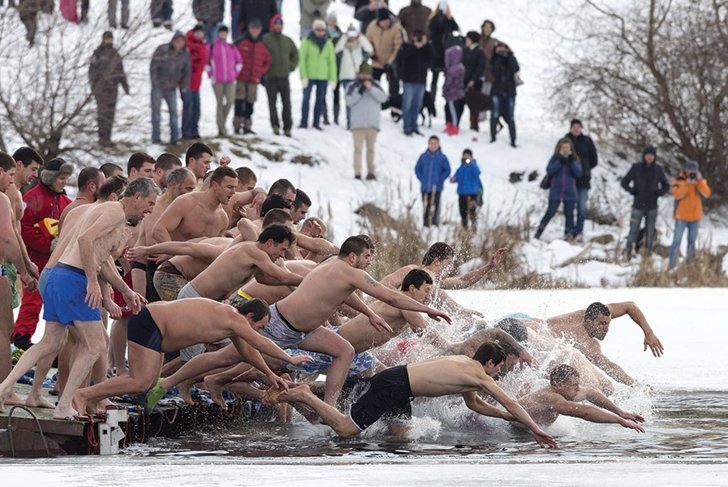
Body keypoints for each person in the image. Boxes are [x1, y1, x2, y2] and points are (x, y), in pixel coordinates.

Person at [0, 178, 158, 418]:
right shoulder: (115, 211)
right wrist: (93, 283)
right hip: (74, 279)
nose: (151, 209)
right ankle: (64, 405)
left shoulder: (107, 212)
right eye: (149, 203)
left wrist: (124, 292)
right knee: (96, 345)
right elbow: (85, 240)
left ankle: (3, 388)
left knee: (51, 342)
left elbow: (101, 257)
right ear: (136, 196)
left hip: (60, 276)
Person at [266, 342, 558, 447]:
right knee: (345, 430)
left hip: (399, 386)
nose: (498, 374)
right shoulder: (478, 374)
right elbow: (509, 400)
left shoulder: (466, 366)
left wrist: (506, 417)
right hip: (394, 385)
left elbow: (475, 404)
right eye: (499, 369)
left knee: (401, 436)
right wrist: (534, 429)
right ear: (490, 363)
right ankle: (304, 394)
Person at [72, 298, 311, 415]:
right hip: (151, 322)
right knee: (140, 381)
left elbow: (250, 352)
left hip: (156, 327)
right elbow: (260, 342)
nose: (258, 330)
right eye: (259, 325)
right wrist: (290, 359)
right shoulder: (234, 319)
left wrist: (270, 374)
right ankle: (83, 395)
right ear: (249, 316)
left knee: (146, 382)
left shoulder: (233, 324)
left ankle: (93, 399)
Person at [12, 158, 73, 350]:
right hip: (37, 260)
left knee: (55, 305)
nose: (64, 182)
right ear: (51, 178)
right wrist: (47, 245)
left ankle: (53, 345)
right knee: (32, 301)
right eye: (61, 178)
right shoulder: (32, 198)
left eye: (66, 178)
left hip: (59, 263)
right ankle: (21, 338)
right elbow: (24, 228)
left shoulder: (65, 201)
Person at [545, 301, 664, 386]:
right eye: (602, 324)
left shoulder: (596, 311)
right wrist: (633, 384)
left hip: (550, 347)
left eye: (608, 323)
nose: (606, 329)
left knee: (608, 388)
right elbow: (609, 368)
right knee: (599, 387)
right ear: (589, 322)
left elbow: (630, 306)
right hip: (537, 338)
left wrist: (649, 333)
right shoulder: (587, 343)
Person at [0, 152, 38, 406]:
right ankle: (4, 391)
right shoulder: (2, 198)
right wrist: (23, 270)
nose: (11, 181)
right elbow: (8, 238)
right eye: (10, 175)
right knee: (3, 332)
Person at [518, 364, 645, 431]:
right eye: (574, 385)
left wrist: (620, 412)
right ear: (559, 384)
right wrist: (619, 420)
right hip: (510, 430)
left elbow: (591, 393)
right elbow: (584, 412)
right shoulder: (550, 397)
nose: (578, 389)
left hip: (530, 430)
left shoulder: (566, 391)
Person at [152, 166, 236, 242]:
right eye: (229, 187)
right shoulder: (186, 202)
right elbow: (158, 230)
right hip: (171, 257)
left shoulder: (223, 219)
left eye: (235, 187)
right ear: (215, 185)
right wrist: (169, 252)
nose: (233, 192)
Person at [621, 145, 670, 258]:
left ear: (654, 157)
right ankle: (628, 252)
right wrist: (632, 190)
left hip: (652, 206)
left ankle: (647, 255)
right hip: (638, 205)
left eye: (651, 155)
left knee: (649, 232)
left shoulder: (658, 169)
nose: (649, 157)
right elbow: (624, 182)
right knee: (633, 230)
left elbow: (666, 185)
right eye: (647, 155)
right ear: (644, 156)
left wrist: (659, 192)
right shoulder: (636, 167)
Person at [534, 138, 583, 241]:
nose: (565, 149)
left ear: (570, 149)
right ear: (559, 148)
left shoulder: (574, 159)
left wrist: (570, 162)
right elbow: (549, 170)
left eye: (567, 148)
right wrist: (560, 161)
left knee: (569, 215)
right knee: (550, 212)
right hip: (556, 190)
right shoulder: (555, 158)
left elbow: (579, 173)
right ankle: (538, 232)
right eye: (563, 147)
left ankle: (568, 235)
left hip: (570, 191)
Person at [346, 62, 388, 181]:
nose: (365, 76)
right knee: (358, 149)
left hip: (372, 124)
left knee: (371, 149)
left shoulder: (376, 85)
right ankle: (357, 172)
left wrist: (371, 89)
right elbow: (349, 101)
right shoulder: (352, 85)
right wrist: (360, 91)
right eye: (363, 74)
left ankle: (371, 171)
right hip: (358, 124)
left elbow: (383, 98)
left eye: (367, 74)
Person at [89, 31, 129, 147]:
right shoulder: (98, 53)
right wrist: (94, 88)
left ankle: (108, 138)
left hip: (113, 89)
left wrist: (125, 85)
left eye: (110, 38)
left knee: (110, 114)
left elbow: (120, 71)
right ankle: (102, 138)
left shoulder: (115, 53)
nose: (109, 41)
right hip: (101, 90)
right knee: (102, 114)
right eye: (107, 38)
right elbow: (92, 72)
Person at [668, 160, 711, 270]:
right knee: (676, 241)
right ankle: (672, 265)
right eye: (689, 169)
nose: (691, 172)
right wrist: (687, 184)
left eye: (694, 170)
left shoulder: (700, 181)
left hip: (695, 217)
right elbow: (677, 195)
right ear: (685, 170)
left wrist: (700, 181)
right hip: (681, 216)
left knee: (692, 242)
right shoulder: (678, 180)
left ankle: (690, 266)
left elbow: (707, 193)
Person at [150, 31, 191, 145]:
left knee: (173, 112)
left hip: (172, 87)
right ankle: (156, 137)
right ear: (173, 41)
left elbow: (187, 71)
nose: (179, 43)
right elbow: (153, 67)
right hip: (158, 86)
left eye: (182, 41)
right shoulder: (162, 49)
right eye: (177, 41)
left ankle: (174, 137)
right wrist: (155, 83)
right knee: (156, 112)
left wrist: (184, 85)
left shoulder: (185, 53)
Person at [234, 18, 272, 135]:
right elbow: (233, 57)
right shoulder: (241, 42)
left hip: (254, 79)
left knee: (250, 102)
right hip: (241, 77)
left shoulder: (262, 44)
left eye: (257, 29)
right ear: (249, 29)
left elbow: (268, 60)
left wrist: (260, 72)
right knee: (239, 101)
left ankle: (247, 125)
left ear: (260, 30)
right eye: (253, 29)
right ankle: (237, 125)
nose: (255, 31)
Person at [263, 14, 298, 136]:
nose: (278, 26)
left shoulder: (287, 40)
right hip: (271, 78)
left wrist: (291, 66)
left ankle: (287, 127)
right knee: (272, 104)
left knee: (286, 104)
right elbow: (261, 55)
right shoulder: (266, 39)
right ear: (272, 25)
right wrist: (264, 71)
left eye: (280, 24)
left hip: (284, 77)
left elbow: (295, 54)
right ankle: (275, 125)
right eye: (276, 24)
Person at [298, 19, 337, 130]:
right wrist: (303, 76)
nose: (320, 32)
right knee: (306, 99)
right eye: (318, 29)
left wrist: (333, 78)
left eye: (322, 30)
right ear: (313, 30)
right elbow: (302, 60)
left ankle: (316, 122)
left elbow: (331, 62)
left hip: (322, 76)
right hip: (309, 75)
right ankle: (304, 122)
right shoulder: (307, 41)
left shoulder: (328, 43)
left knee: (320, 100)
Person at [564, 119, 599, 242]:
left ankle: (579, 232)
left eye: (578, 127)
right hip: (569, 180)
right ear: (570, 128)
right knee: (568, 207)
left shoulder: (587, 141)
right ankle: (568, 231)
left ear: (581, 128)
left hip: (584, 180)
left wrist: (586, 169)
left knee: (582, 208)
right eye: (574, 127)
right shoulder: (565, 140)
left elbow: (594, 160)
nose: (576, 129)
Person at [336, 25, 374, 129]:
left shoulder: (359, 45)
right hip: (346, 76)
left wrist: (360, 37)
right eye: (350, 34)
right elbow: (337, 49)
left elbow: (370, 49)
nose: (351, 36)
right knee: (349, 100)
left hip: (358, 76)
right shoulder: (344, 45)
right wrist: (344, 37)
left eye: (353, 34)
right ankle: (350, 122)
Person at [207, 25, 242, 137]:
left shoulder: (231, 47)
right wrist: (211, 74)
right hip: (217, 81)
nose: (223, 34)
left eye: (225, 32)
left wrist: (234, 74)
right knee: (220, 104)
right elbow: (206, 63)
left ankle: (222, 124)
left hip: (230, 80)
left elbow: (239, 62)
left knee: (230, 101)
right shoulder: (212, 47)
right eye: (221, 32)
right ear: (218, 33)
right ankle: (221, 128)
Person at [396, 31, 433, 136]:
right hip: (408, 80)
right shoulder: (406, 47)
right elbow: (401, 58)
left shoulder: (426, 49)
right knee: (407, 105)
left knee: (417, 105)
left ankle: (414, 126)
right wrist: (414, 47)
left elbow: (432, 58)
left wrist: (426, 45)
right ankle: (407, 126)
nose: (419, 40)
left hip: (421, 81)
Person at [365, 9, 404, 104]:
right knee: (374, 83)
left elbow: (398, 46)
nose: (385, 24)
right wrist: (372, 54)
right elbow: (367, 41)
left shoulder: (396, 28)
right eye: (383, 22)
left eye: (387, 21)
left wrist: (390, 62)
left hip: (391, 63)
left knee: (394, 86)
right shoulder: (372, 26)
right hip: (376, 62)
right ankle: (375, 103)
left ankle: (394, 107)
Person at [415, 136, 450, 227]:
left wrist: (440, 179)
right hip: (425, 186)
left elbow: (447, 170)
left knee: (435, 205)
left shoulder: (442, 157)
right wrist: (422, 179)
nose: (433, 145)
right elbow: (417, 169)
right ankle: (426, 224)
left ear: (438, 145)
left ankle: (435, 223)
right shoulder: (423, 156)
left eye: (435, 143)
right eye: (431, 143)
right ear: (428, 144)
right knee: (426, 205)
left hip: (436, 187)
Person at [490, 42, 519, 147]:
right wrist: (499, 57)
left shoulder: (511, 58)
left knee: (510, 116)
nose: (501, 50)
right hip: (497, 90)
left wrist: (508, 56)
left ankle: (513, 140)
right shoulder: (494, 59)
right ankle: (493, 137)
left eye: (503, 48)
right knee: (495, 114)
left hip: (510, 91)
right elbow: (495, 71)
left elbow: (515, 68)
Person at [427, 1, 459, 97]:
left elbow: (455, 28)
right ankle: (432, 97)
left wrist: (448, 18)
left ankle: (448, 97)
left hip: (447, 52)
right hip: (436, 52)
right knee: (434, 78)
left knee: (448, 77)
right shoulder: (433, 20)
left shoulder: (449, 20)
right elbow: (432, 28)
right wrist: (439, 18)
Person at [182, 25, 209, 141]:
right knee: (188, 107)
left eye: (201, 33)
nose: (199, 35)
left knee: (197, 108)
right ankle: (186, 132)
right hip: (186, 82)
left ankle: (194, 130)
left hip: (197, 83)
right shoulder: (187, 44)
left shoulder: (203, 45)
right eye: (197, 33)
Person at [449, 149, 482, 229]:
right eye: (465, 155)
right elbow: (456, 177)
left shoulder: (474, 166)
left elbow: (477, 173)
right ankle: (465, 230)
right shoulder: (460, 168)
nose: (466, 157)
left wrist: (472, 163)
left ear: (471, 156)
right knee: (463, 213)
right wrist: (453, 179)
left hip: (472, 194)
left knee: (472, 212)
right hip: (462, 194)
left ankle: (474, 229)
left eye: (468, 155)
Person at [462, 31, 486, 132]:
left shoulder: (480, 51)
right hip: (464, 79)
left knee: (475, 105)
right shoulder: (466, 50)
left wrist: (473, 79)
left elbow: (480, 67)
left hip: (475, 82)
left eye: (468, 39)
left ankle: (474, 125)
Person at [442, 44, 465, 136]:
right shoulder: (460, 67)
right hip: (456, 92)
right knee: (449, 109)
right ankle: (450, 124)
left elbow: (449, 81)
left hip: (452, 93)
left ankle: (454, 127)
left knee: (453, 110)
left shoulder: (453, 69)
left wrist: (445, 89)